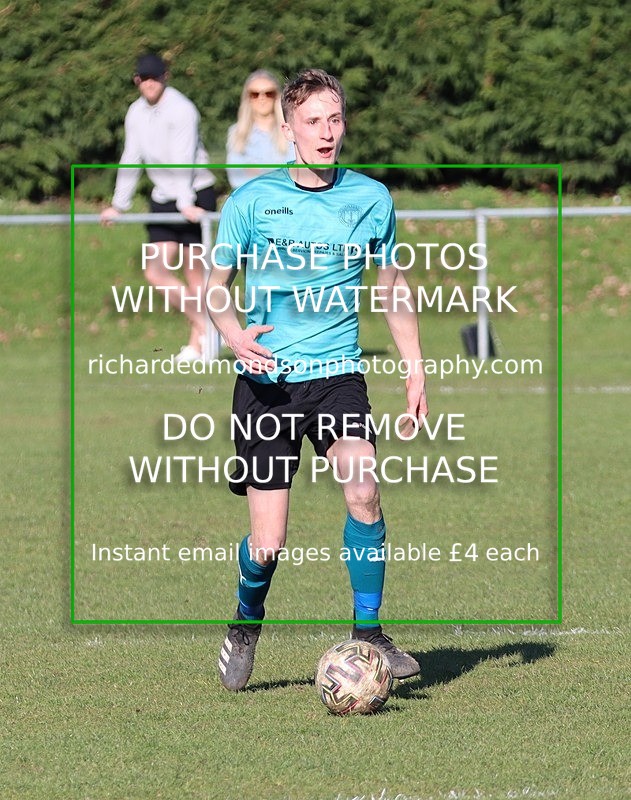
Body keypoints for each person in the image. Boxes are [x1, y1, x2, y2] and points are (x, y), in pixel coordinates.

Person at [207, 69, 428, 691]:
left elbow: (391, 287)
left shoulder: (371, 198)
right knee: (269, 541)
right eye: (312, 121)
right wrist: (232, 334)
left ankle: (369, 634)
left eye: (335, 120)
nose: (326, 133)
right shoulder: (250, 202)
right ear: (289, 130)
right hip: (267, 383)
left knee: (363, 487)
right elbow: (215, 291)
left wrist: (415, 367)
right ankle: (246, 621)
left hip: (337, 377)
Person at [100, 53, 217, 363]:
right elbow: (131, 157)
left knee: (196, 278)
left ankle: (197, 346)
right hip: (162, 198)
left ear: (165, 77)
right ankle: (208, 327)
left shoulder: (183, 109)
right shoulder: (135, 113)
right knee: (156, 271)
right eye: (144, 79)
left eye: (155, 78)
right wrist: (118, 205)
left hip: (195, 193)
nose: (150, 84)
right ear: (137, 81)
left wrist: (185, 203)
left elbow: (184, 157)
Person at [226, 70, 294, 189]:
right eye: (255, 94)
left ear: (276, 96)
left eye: (268, 93)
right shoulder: (236, 132)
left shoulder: (290, 130)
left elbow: (295, 173)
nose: (261, 98)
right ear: (247, 98)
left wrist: (255, 171)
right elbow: (236, 178)